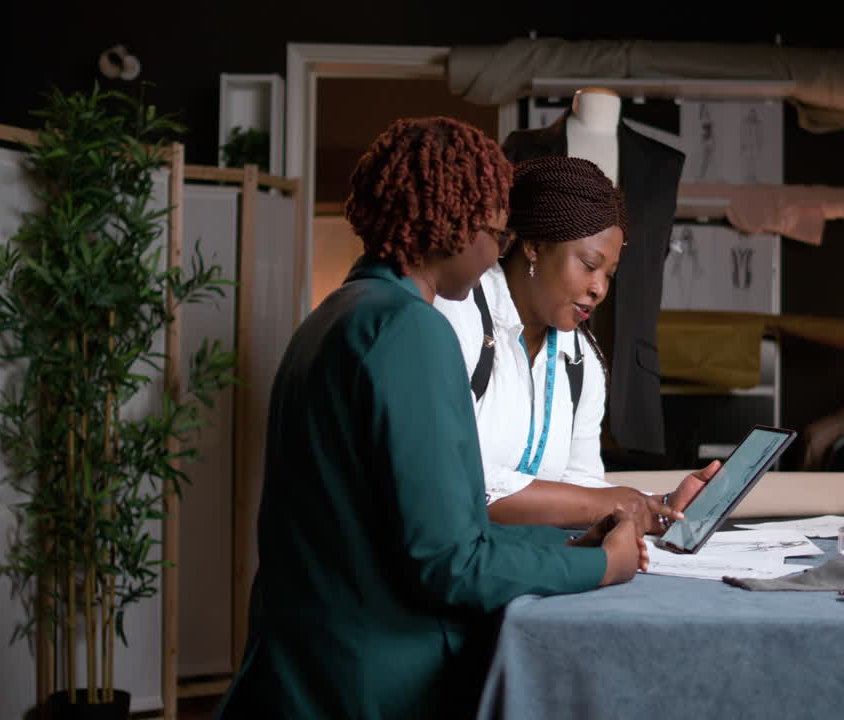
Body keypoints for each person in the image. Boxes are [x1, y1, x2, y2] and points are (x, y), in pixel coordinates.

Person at [216, 118, 647, 720]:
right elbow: (452, 561)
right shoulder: (411, 330)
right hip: (368, 681)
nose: (500, 247)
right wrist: (603, 564)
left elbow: (419, 526)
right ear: (456, 223)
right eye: (496, 231)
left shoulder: (335, 317)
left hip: (302, 665)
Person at [434, 156, 719, 535]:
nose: (599, 288)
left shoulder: (581, 362)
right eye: (588, 264)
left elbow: (579, 489)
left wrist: (663, 508)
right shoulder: (458, 314)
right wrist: (621, 503)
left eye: (609, 274)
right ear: (534, 246)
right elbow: (452, 478)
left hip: (527, 563)